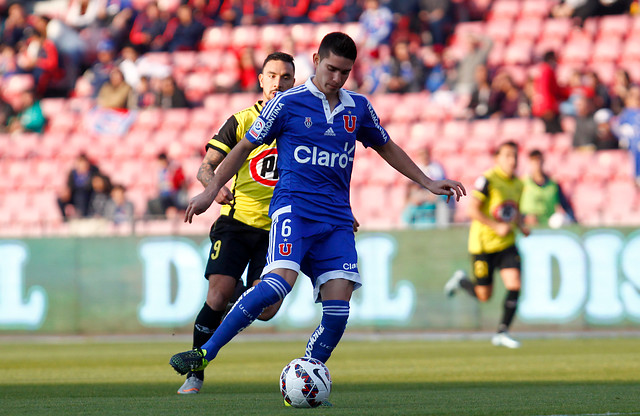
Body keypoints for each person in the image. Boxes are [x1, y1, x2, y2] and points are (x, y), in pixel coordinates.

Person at [169, 33, 465, 389]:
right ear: (315, 60)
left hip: (337, 220)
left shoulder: (358, 107)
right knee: (277, 285)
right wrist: (211, 189)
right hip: (293, 210)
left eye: (345, 72)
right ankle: (205, 355)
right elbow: (244, 146)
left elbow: (387, 146)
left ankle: (306, 376)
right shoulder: (288, 103)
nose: (337, 79)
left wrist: (428, 182)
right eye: (331, 69)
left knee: (339, 310)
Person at [175, 52, 296, 395]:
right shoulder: (242, 121)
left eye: (285, 77)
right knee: (218, 293)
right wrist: (214, 187)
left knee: (268, 310)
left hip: (277, 227)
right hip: (236, 222)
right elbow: (205, 166)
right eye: (271, 75)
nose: (277, 82)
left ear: (293, 82)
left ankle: (238, 303)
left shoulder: (301, 124)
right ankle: (195, 373)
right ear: (260, 80)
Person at [444, 141, 528, 349]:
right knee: (484, 295)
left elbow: (512, 210)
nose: (512, 160)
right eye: (507, 155)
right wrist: (495, 226)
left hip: (506, 243)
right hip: (483, 245)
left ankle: (502, 332)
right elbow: (472, 211)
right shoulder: (487, 180)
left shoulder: (519, 183)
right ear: (497, 158)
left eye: (515, 156)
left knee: (514, 284)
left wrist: (521, 225)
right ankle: (462, 281)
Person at [520, 149, 577, 227]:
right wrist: (525, 217)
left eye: (539, 160)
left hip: (548, 228)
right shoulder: (523, 183)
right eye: (534, 161)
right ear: (530, 162)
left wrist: (573, 220)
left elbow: (565, 205)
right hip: (528, 228)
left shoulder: (553, 184)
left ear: (543, 161)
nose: (537, 164)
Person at [532, 51, 568, 134]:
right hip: (547, 107)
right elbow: (545, 89)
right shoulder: (547, 70)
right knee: (555, 132)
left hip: (544, 106)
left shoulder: (542, 69)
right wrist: (548, 107)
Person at [146, 152, 188, 218]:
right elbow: (157, 185)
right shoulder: (158, 172)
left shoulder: (172, 169)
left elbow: (175, 183)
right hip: (163, 195)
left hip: (173, 194)